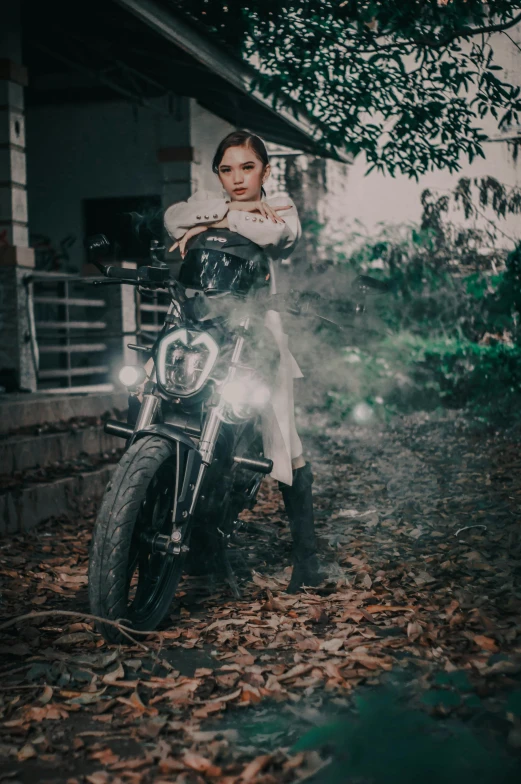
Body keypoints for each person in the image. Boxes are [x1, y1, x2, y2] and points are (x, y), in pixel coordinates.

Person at [163, 130, 324, 593]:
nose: (237, 178)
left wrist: (214, 220)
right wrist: (233, 214)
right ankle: (203, 563)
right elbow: (173, 219)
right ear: (217, 173)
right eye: (227, 169)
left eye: (247, 167)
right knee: (199, 438)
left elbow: (275, 233)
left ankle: (307, 564)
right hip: (203, 336)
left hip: (259, 341)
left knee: (285, 444)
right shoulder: (208, 199)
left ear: (266, 171)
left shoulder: (284, 205)